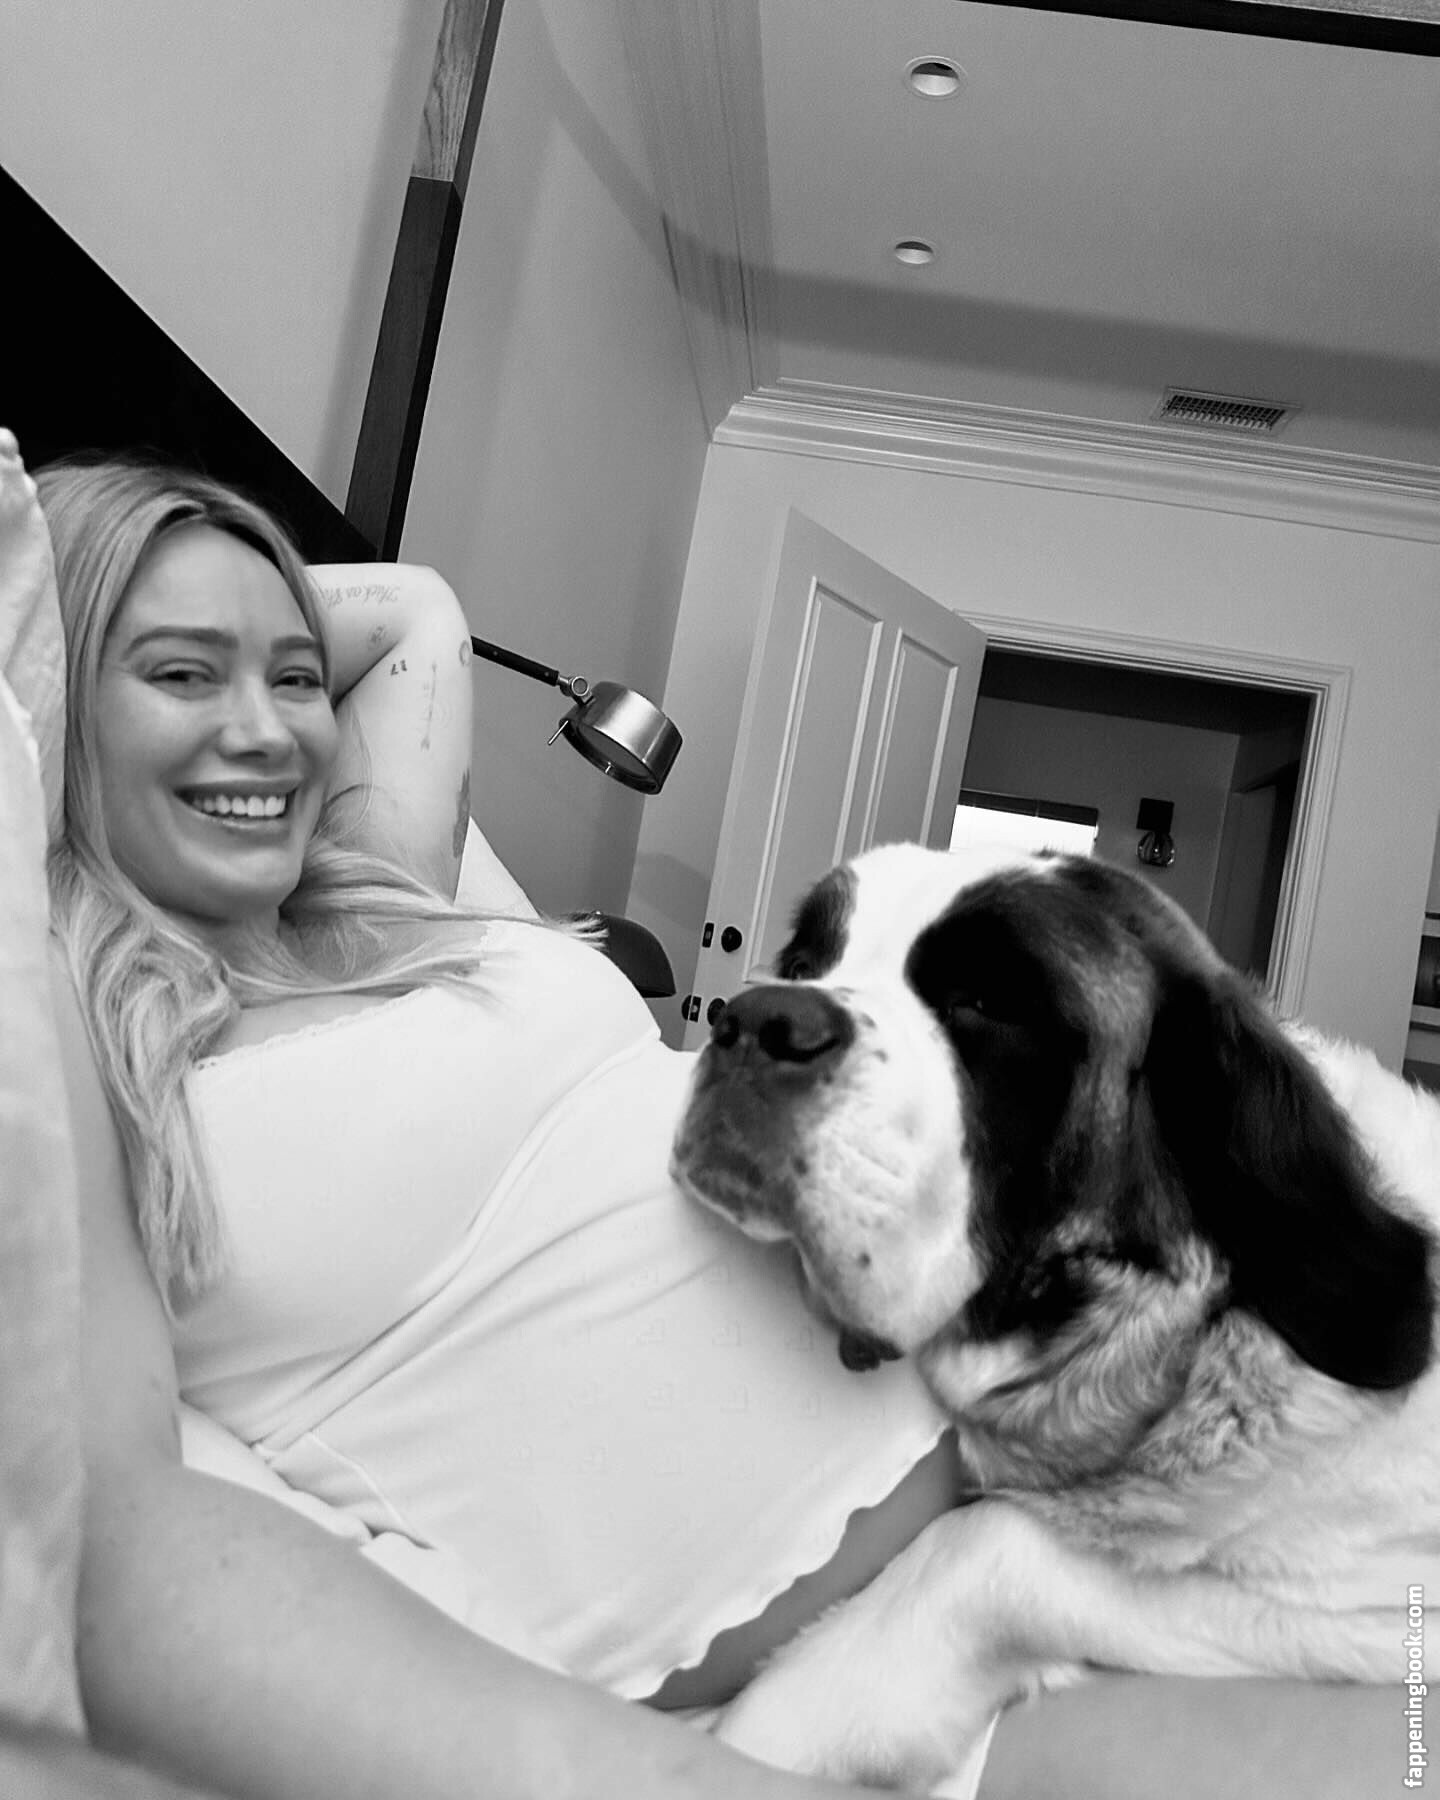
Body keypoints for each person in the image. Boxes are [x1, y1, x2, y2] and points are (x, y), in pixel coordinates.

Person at [36, 453, 1401, 1800]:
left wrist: (184, 617)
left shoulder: (371, 898)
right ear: (44, 692)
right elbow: (112, 1520)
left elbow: (414, 620)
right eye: (180, 673)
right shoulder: (57, 1031)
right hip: (880, 1661)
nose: (271, 732)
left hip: (1117, 1470)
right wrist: (41, 617)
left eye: (291, 675)